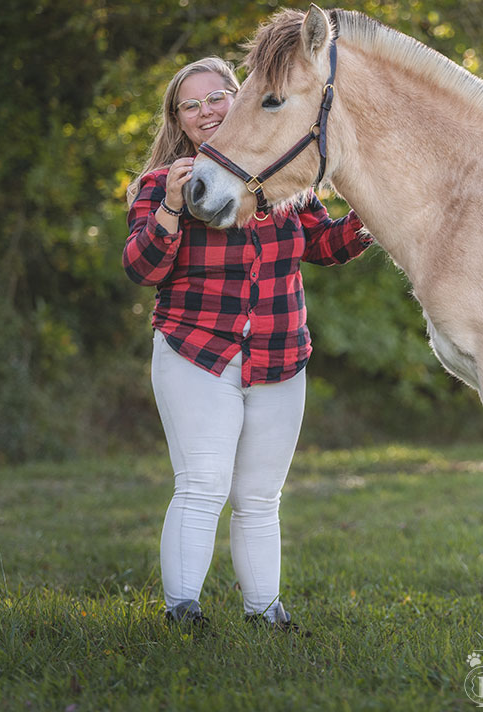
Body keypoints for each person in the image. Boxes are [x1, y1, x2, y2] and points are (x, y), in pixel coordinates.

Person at [123, 56, 371, 629]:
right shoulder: (166, 184)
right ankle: (182, 610)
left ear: (241, 100)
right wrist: (169, 211)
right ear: (179, 119)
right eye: (193, 104)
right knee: (203, 484)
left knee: (260, 496)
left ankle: (265, 611)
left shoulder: (282, 179)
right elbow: (142, 269)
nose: (208, 111)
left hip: (281, 355)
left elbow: (324, 245)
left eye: (218, 98)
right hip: (196, 352)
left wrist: (371, 214)